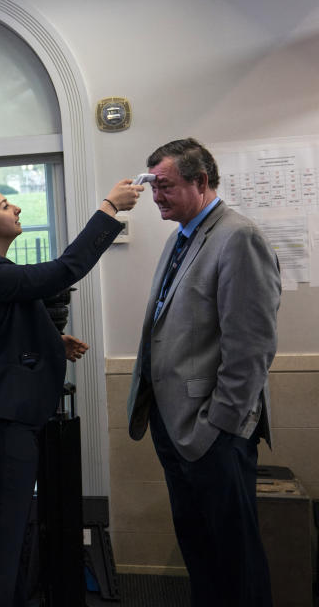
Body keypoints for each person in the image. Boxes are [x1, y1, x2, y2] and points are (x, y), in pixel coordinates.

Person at [0, 180, 142, 606]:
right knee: (3, 541)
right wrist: (108, 209)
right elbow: (65, 270)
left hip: (5, 421)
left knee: (7, 537)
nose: (14, 208)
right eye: (3, 205)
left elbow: (6, 335)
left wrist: (55, 343)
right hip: (2, 424)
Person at [127, 138, 280, 607]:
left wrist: (222, 423)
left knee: (234, 558)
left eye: (167, 186)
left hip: (213, 430)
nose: (157, 197)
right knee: (202, 553)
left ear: (201, 181)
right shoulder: (183, 237)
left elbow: (250, 345)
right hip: (173, 423)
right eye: (153, 187)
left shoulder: (238, 236)